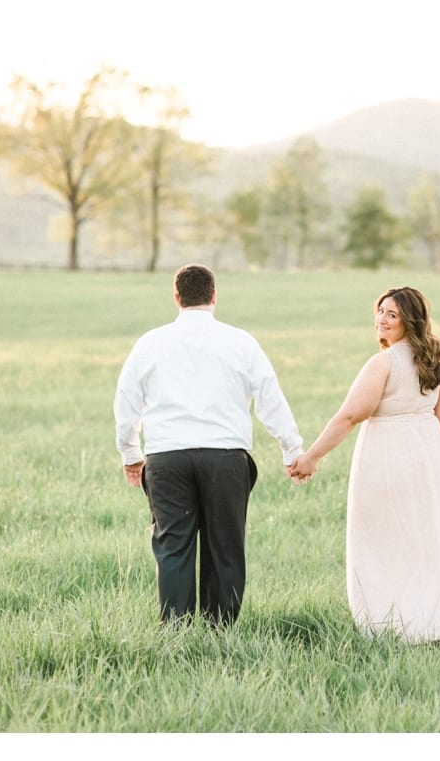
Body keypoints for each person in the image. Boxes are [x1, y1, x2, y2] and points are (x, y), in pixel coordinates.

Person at [114, 263, 306, 626]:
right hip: (225, 458)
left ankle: (176, 629)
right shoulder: (240, 341)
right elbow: (270, 397)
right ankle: (220, 630)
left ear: (176, 297)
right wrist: (291, 449)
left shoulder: (150, 343)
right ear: (214, 296)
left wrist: (131, 454)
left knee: (173, 547)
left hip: (167, 457)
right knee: (225, 549)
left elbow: (126, 402)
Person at [290, 286, 440, 643]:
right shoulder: (439, 358)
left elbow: (351, 415)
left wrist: (311, 457)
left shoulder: (383, 363)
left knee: (383, 540)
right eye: (380, 312)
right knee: (421, 539)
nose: (381, 320)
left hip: (388, 457)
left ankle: (389, 624)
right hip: (428, 454)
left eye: (392, 315)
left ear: (410, 321)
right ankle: (425, 622)